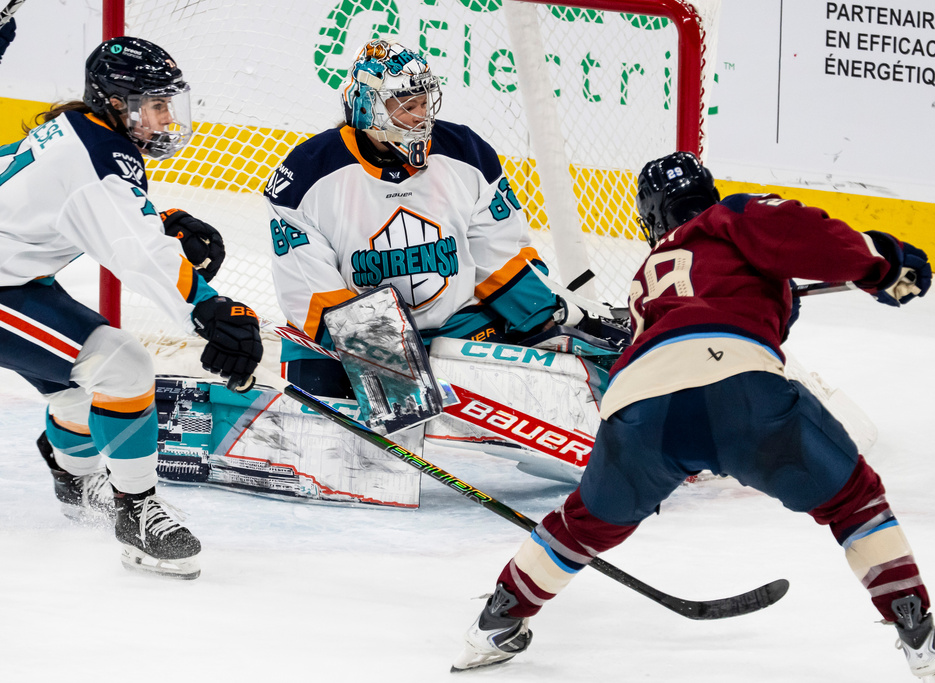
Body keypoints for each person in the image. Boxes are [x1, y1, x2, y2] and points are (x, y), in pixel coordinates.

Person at [452, 151, 935, 681]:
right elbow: (797, 234)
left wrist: (777, 294)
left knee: (583, 524)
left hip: (639, 406)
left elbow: (713, 311)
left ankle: (494, 622)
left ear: (651, 217)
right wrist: (882, 261)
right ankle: (914, 629)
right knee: (854, 502)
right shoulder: (729, 217)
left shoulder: (647, 276)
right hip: (738, 387)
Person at [0, 36, 263, 579]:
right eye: (157, 104)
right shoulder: (100, 155)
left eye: (170, 103)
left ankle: (74, 477)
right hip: (8, 284)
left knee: (83, 385)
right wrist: (210, 309)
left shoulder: (81, 131)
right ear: (118, 103)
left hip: (18, 278)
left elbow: (92, 214)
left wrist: (160, 223)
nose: (168, 119)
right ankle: (137, 513)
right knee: (123, 365)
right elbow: (136, 252)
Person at [264, 39, 617, 398]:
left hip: (456, 329)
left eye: (422, 102)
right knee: (323, 424)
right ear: (367, 108)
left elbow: (498, 253)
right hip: (347, 340)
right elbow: (309, 287)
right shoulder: (305, 175)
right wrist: (385, 357)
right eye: (405, 106)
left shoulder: (465, 151)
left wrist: (542, 315)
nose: (421, 116)